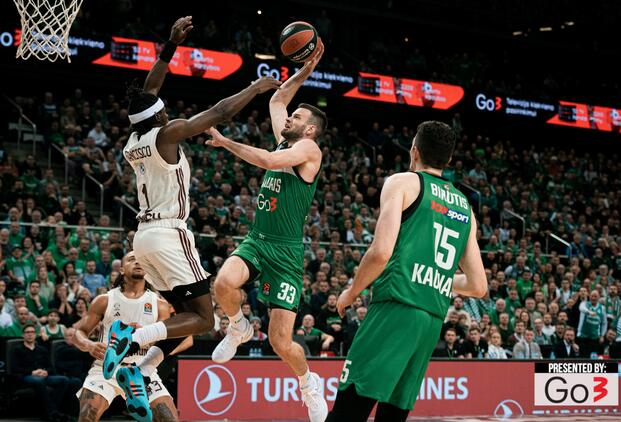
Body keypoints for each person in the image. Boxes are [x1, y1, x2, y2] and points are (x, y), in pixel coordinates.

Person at [103, 15, 281, 397]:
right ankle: (132, 338)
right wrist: (256, 86)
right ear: (159, 116)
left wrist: (170, 46)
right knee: (204, 319)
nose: (167, 110)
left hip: (143, 239)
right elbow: (220, 113)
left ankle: (144, 369)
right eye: (163, 109)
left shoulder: (134, 139)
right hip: (169, 233)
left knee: (184, 316)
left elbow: (149, 90)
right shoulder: (167, 133)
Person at [326, 121, 487, 422]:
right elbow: (478, 285)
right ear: (448, 159)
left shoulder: (402, 183)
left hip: (396, 308)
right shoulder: (465, 207)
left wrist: (351, 292)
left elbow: (380, 253)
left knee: (347, 412)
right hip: (430, 322)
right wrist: (435, 277)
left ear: (414, 151)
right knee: (393, 416)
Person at [206, 41, 327, 421]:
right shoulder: (286, 137)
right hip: (258, 240)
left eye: (297, 117)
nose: (288, 117)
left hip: (286, 252)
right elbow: (277, 99)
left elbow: (270, 161)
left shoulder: (309, 151)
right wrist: (306, 70)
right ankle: (237, 327)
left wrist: (226, 142)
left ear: (309, 129)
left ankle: (308, 384)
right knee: (223, 283)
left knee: (280, 342)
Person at [74, 251, 184, 422]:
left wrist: (144, 335)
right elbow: (78, 332)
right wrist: (89, 345)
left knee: (169, 420)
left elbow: (166, 343)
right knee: (87, 417)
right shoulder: (104, 300)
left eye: (141, 260)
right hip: (105, 368)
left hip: (142, 368)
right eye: (132, 259)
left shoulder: (160, 305)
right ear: (122, 269)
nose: (137, 262)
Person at [11, 324, 72, 421]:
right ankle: (53, 413)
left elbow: (50, 367)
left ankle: (50, 411)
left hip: (43, 376)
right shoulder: (17, 349)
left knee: (63, 380)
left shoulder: (42, 349)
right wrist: (32, 372)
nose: (30, 334)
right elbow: (15, 368)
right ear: (23, 335)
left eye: (32, 332)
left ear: (35, 335)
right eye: (27, 332)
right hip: (27, 376)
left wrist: (45, 371)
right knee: (39, 381)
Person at [577, 290, 607, 357]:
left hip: (595, 337)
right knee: (583, 357)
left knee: (593, 357)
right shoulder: (585, 304)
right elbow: (581, 308)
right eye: (592, 296)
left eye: (595, 296)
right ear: (589, 296)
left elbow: (604, 323)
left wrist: (602, 335)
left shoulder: (602, 308)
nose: (593, 298)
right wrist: (589, 312)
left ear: (599, 297)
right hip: (583, 335)